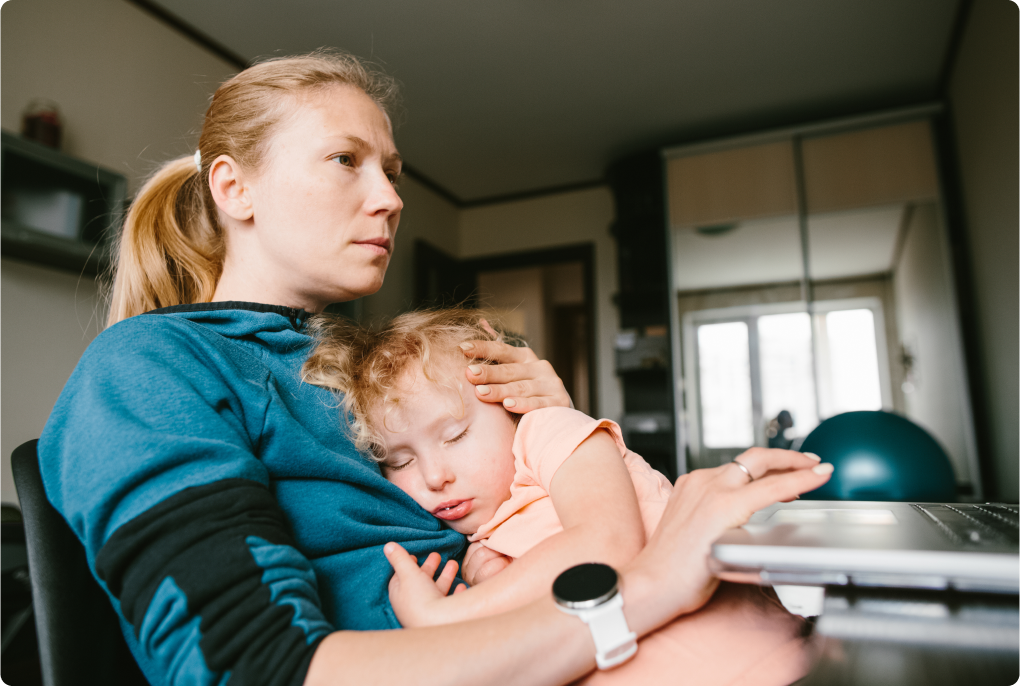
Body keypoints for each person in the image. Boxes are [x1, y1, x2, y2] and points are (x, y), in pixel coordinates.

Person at [37, 50, 833, 686]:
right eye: (346, 160)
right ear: (234, 187)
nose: (389, 197)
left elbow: (537, 515)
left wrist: (551, 431)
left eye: (391, 171)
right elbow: (260, 669)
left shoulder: (374, 371)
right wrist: (651, 585)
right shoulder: (150, 368)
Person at [301, 308, 814, 685]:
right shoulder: (481, 548)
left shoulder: (550, 433)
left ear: (511, 404)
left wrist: (444, 618)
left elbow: (605, 546)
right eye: (400, 461)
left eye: (455, 435)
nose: (434, 476)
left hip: (753, 663)